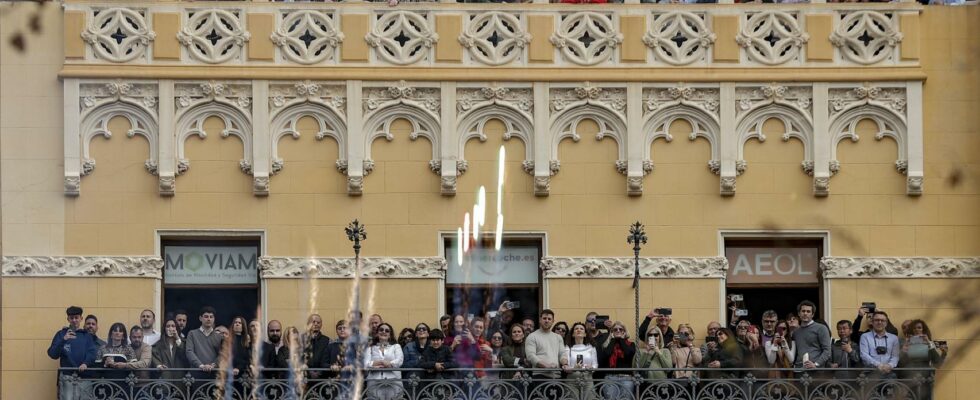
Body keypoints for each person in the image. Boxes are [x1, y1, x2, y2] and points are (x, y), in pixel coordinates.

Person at [48, 306, 98, 400]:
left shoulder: (86, 336)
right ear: (68, 319)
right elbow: (52, 354)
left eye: (76, 317)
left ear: (81, 318)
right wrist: (63, 340)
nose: (74, 320)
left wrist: (85, 363)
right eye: (72, 318)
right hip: (68, 377)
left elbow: (92, 352)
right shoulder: (61, 334)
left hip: (85, 378)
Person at [900, 319, 946, 400]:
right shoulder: (906, 343)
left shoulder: (929, 343)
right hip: (910, 377)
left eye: (919, 328)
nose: (917, 330)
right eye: (914, 328)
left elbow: (938, 364)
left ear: (923, 329)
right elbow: (900, 363)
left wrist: (943, 352)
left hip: (925, 379)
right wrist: (905, 346)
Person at [525, 310, 567, 388]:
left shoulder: (558, 337)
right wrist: (546, 366)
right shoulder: (532, 336)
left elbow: (562, 353)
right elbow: (530, 356)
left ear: (553, 321)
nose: (546, 321)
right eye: (544, 318)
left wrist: (565, 364)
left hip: (557, 377)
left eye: (549, 319)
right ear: (540, 320)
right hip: (539, 377)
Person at [363, 322, 404, 400]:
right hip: (374, 381)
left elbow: (399, 361)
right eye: (381, 330)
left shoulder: (396, 346)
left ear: (390, 335)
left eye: (387, 330)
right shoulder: (370, 348)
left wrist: (389, 363)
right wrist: (377, 363)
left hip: (394, 381)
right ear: (377, 333)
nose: (383, 332)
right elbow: (365, 363)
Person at [596, 320, 635, 399]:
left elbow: (628, 354)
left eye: (621, 329)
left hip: (626, 378)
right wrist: (613, 340)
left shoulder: (631, 344)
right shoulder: (606, 345)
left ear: (624, 331)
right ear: (611, 332)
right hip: (610, 378)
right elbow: (607, 354)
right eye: (615, 329)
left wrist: (621, 340)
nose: (618, 331)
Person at [859, 311, 900, 379]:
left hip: (889, 373)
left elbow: (895, 356)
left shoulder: (894, 338)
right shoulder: (865, 336)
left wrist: (889, 365)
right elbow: (864, 355)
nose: (879, 322)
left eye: (882, 320)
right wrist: (879, 365)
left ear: (886, 323)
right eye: (877, 320)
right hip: (871, 373)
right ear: (872, 322)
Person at [792, 300, 831, 370]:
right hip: (798, 370)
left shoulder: (821, 328)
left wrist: (816, 364)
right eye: (803, 311)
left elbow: (827, 351)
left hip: (815, 371)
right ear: (799, 313)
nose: (805, 313)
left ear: (812, 314)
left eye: (808, 311)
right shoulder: (796, 332)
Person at [562, 322, 597, 399]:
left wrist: (591, 368)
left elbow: (595, 365)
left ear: (585, 334)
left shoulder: (591, 347)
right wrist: (574, 368)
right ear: (573, 334)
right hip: (572, 379)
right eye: (576, 328)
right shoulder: (568, 347)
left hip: (587, 378)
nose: (579, 330)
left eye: (581, 329)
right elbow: (566, 367)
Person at [185, 306, 222, 378]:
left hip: (214, 374)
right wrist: (201, 365)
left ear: (214, 319)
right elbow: (189, 351)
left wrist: (213, 365)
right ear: (200, 318)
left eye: (211, 317)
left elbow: (222, 354)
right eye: (206, 316)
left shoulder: (219, 336)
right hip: (196, 373)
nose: (209, 319)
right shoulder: (192, 334)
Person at [304, 314, 331, 379]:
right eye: (313, 322)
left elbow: (328, 360)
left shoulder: (327, 340)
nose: (316, 324)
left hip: (322, 379)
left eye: (318, 322)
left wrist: (319, 373)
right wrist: (309, 372)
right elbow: (299, 360)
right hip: (305, 378)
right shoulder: (301, 339)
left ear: (321, 325)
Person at [229, 316, 252, 380]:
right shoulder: (227, 340)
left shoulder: (246, 341)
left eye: (240, 323)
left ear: (243, 326)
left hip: (243, 373)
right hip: (229, 372)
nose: (237, 324)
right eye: (235, 322)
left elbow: (248, 359)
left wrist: (238, 368)